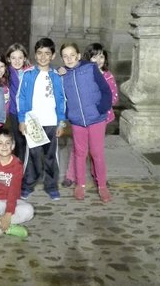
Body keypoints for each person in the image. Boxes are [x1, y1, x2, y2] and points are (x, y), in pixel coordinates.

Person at [59, 42, 113, 203]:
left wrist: (101, 109)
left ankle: (102, 186)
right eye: (65, 56)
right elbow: (61, 97)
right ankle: (80, 185)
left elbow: (106, 90)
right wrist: (68, 114)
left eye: (72, 55)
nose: (69, 59)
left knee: (97, 153)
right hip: (77, 121)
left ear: (78, 56)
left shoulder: (90, 68)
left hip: (96, 119)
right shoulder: (62, 75)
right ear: (62, 58)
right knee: (80, 153)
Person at [17, 37, 66, 201]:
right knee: (33, 156)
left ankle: (51, 186)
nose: (43, 57)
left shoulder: (57, 76)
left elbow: (62, 100)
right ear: (35, 55)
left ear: (53, 56)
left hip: (52, 122)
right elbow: (21, 98)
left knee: (51, 157)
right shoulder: (28, 74)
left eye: (47, 53)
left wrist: (61, 122)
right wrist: (22, 120)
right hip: (33, 123)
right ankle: (27, 185)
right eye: (39, 53)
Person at [5, 43, 30, 163]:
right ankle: (19, 166)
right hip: (14, 111)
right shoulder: (7, 71)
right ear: (9, 59)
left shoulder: (30, 71)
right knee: (19, 140)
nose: (17, 61)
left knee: (30, 141)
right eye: (13, 58)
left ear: (24, 58)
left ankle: (29, 166)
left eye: (20, 58)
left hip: (29, 112)